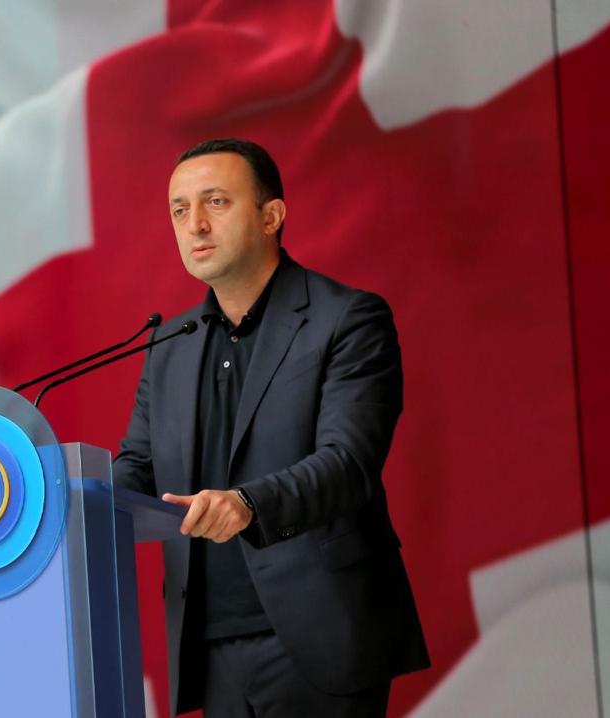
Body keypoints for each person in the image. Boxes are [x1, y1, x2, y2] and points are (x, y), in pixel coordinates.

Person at [113, 138, 429, 718]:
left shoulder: (348, 319)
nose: (195, 224)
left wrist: (247, 504)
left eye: (216, 202)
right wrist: (67, 500)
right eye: (180, 210)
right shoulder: (169, 345)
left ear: (271, 216)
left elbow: (348, 463)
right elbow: (137, 468)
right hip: (210, 644)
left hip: (321, 631)